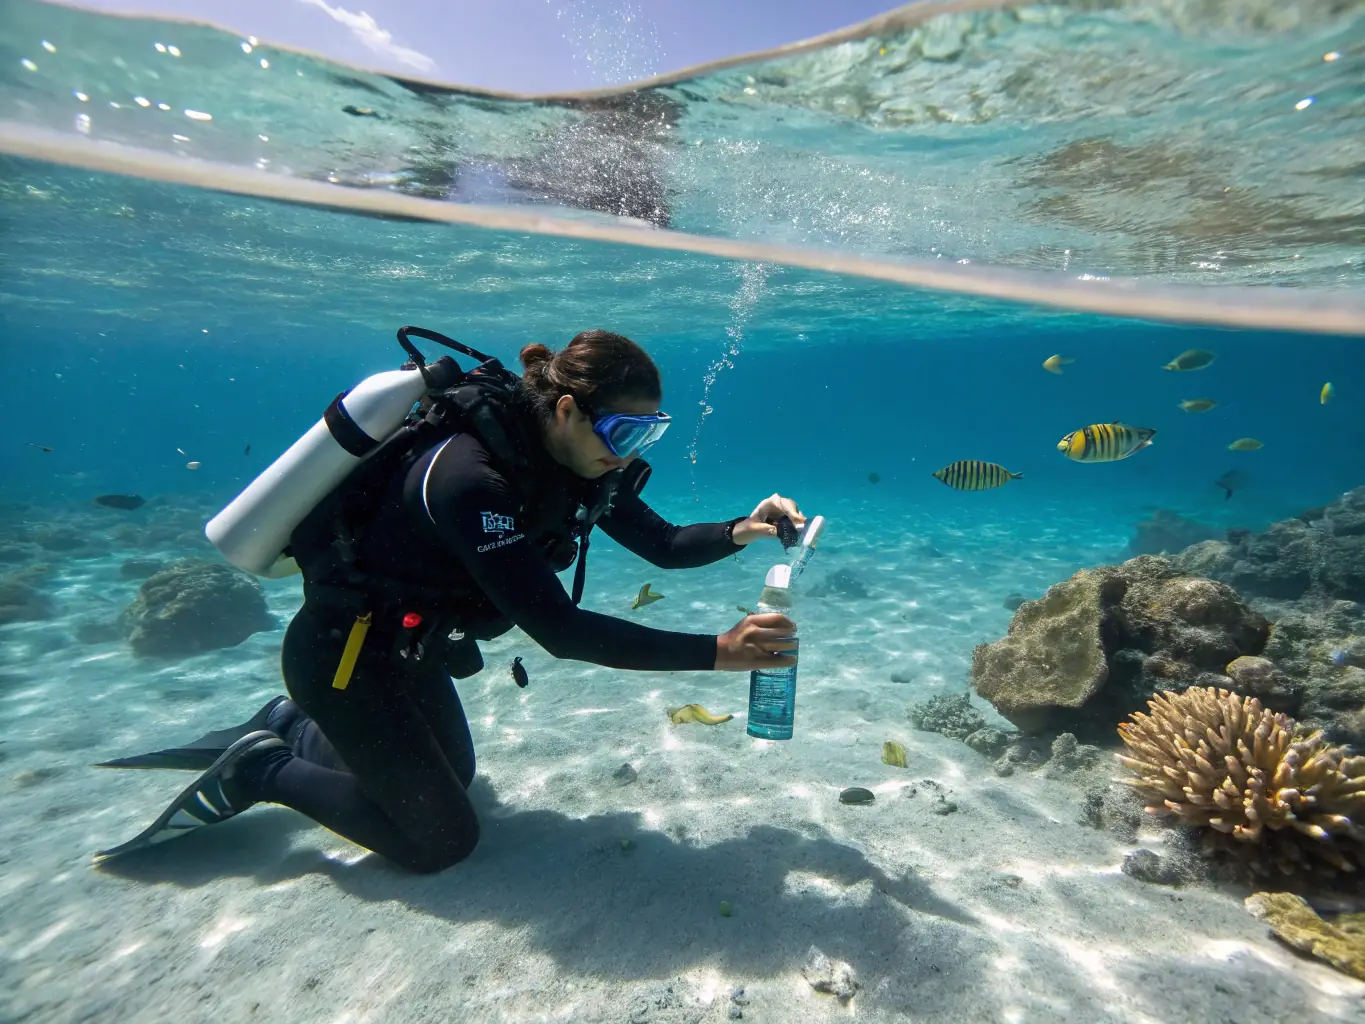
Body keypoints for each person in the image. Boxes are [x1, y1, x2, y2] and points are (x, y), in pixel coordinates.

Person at [97, 330, 804, 873]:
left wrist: (744, 528)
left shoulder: (577, 462)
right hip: (342, 658)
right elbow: (559, 630)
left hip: (414, 653)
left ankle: (294, 725)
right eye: (622, 432)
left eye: (648, 434)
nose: (627, 453)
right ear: (565, 409)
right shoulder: (469, 480)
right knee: (441, 839)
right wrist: (717, 653)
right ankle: (263, 767)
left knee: (456, 781)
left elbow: (665, 544)